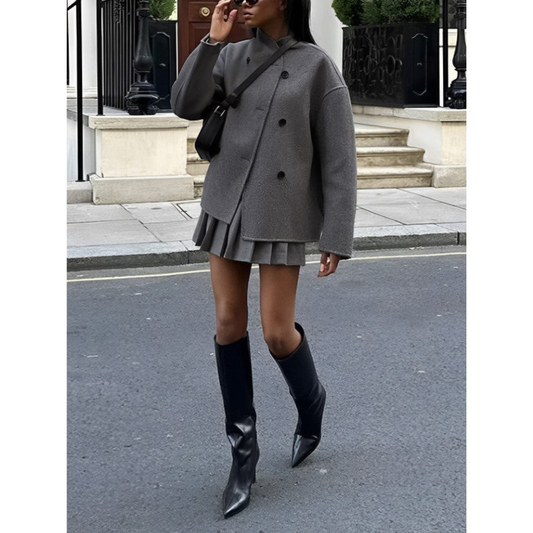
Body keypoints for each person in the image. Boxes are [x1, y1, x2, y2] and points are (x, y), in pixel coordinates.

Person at [170, 0, 357, 519]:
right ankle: (243, 453)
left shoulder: (318, 68)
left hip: (282, 210)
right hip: (226, 203)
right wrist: (211, 42)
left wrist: (337, 233)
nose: (245, 2)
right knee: (228, 322)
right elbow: (184, 105)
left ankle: (311, 399)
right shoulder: (230, 55)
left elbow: (340, 159)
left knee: (277, 332)